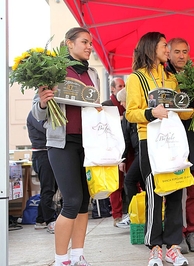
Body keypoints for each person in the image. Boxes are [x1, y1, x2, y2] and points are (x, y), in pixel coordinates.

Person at [125, 32, 194, 266]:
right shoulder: (136, 78)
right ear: (151, 48)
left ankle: (173, 246)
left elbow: (181, 111)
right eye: (164, 46)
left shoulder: (171, 77)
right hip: (149, 140)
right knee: (154, 193)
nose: (168, 50)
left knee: (176, 191)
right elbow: (130, 112)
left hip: (173, 139)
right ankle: (155, 246)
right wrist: (150, 113)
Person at [32, 27, 98, 266]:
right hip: (62, 143)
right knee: (70, 200)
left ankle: (77, 255)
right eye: (84, 42)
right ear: (69, 44)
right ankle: (61, 260)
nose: (89, 46)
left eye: (90, 43)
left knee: (83, 202)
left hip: (88, 143)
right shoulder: (54, 71)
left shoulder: (92, 73)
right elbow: (37, 113)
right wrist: (42, 102)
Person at [165, 37, 194, 253]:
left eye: (185, 51)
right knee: (175, 190)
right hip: (172, 140)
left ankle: (193, 231)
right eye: (177, 51)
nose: (181, 55)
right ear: (168, 53)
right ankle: (177, 233)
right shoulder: (162, 76)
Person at [115, 88, 145, 229]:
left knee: (130, 180)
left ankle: (134, 213)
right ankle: (140, 213)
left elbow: (125, 140)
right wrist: (123, 159)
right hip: (140, 152)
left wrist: (123, 159)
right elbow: (126, 140)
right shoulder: (128, 115)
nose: (121, 104)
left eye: (122, 101)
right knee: (143, 183)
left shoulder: (131, 115)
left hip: (143, 152)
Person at [26, 111, 58, 234]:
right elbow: (48, 129)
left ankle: (40, 220)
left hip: (48, 152)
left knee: (52, 187)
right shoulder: (35, 114)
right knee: (48, 188)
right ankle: (50, 220)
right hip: (42, 153)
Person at [102, 77, 127, 226]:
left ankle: (135, 213)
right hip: (113, 149)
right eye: (119, 86)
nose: (122, 88)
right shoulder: (106, 105)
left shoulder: (128, 103)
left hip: (128, 147)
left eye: (124, 86)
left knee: (132, 181)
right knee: (115, 184)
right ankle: (117, 216)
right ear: (112, 89)